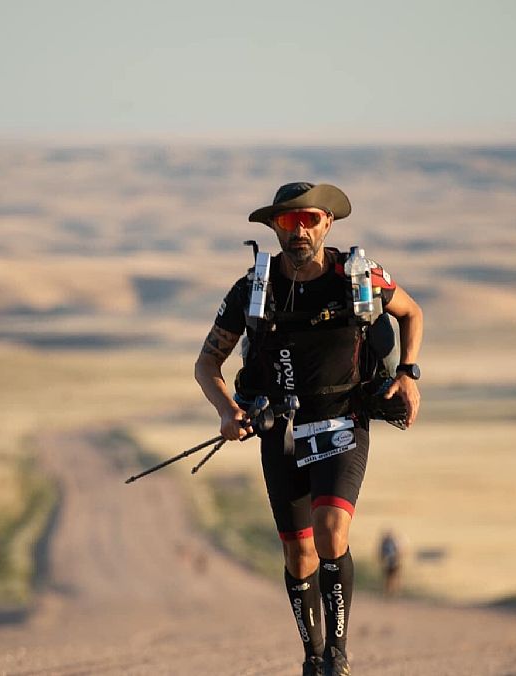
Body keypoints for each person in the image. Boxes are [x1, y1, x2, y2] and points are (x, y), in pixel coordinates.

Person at [194, 182, 423, 676]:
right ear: (275, 227)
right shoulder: (253, 289)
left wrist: (408, 374)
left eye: (309, 220)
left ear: (328, 224)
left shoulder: (358, 278)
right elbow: (207, 363)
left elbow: (411, 312)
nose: (299, 231)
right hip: (279, 428)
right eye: (288, 222)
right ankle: (313, 657)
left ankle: (338, 656)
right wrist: (227, 410)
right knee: (298, 555)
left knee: (330, 530)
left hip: (343, 420)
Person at [378, 529, 403, 598]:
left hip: (393, 562)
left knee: (393, 578)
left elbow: (399, 552)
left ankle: (394, 592)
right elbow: (381, 553)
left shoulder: (393, 542)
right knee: (388, 578)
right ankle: (388, 592)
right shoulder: (385, 543)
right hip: (388, 563)